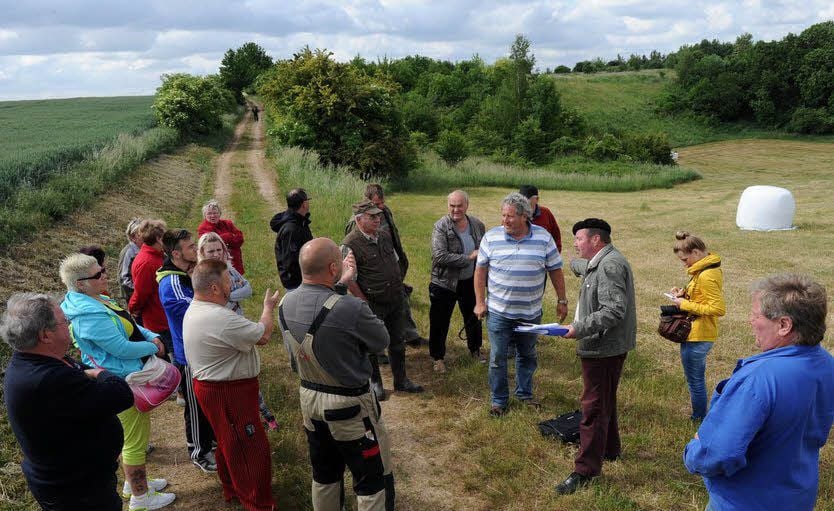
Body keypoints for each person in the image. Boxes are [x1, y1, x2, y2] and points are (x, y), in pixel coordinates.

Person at [684, 274, 834, 511]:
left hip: (744, 502)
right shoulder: (827, 364)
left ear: (784, 325)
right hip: (797, 496)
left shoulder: (758, 379)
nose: (750, 321)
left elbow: (718, 454)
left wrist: (695, 449)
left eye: (756, 315)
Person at [279, 238, 395, 510]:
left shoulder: (285, 302)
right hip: (350, 406)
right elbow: (381, 340)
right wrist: (346, 289)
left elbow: (320, 303)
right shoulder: (350, 307)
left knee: (325, 475)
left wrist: (339, 284)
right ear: (333, 267)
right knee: (371, 479)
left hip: (310, 399)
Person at [59, 253, 176, 510]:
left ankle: (131, 484)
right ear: (80, 283)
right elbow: (120, 348)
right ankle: (141, 498)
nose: (105, 276)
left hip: (128, 375)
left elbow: (129, 323)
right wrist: (152, 346)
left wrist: (152, 336)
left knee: (131, 436)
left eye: (103, 269)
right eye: (98, 274)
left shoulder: (96, 299)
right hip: (124, 379)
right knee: (135, 442)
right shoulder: (89, 316)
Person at [2, 293, 136, 511]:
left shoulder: (33, 360)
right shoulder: (50, 378)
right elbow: (121, 394)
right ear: (46, 335)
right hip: (77, 491)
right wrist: (100, 372)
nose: (70, 325)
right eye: (65, 322)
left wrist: (90, 374)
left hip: (74, 482)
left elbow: (77, 369)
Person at [183, 259, 281, 511]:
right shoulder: (220, 317)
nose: (233, 284)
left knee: (228, 440)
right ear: (215, 288)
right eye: (228, 280)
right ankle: (257, 502)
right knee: (250, 446)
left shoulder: (199, 308)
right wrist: (268, 308)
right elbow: (264, 334)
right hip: (228, 391)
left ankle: (233, 488)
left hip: (215, 388)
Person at [555, 218, 636, 495]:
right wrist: (568, 261)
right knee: (605, 399)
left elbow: (614, 311)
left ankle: (586, 469)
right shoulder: (597, 262)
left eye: (579, 239)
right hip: (607, 347)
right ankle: (610, 450)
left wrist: (577, 328)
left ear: (595, 241)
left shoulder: (610, 265)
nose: (575, 244)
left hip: (603, 348)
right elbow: (581, 266)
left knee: (593, 407)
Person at [474, 192, 567, 417]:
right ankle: (499, 401)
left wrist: (562, 300)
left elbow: (555, 270)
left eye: (510, 216)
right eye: (503, 215)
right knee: (497, 358)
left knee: (527, 355)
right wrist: (479, 302)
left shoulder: (543, 238)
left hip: (530, 312)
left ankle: (524, 394)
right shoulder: (491, 237)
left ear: (525, 216)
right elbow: (480, 271)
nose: (504, 220)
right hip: (499, 312)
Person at [342, 200, 424, 398]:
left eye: (378, 215)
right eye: (372, 216)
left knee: (398, 341)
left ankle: (401, 380)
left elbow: (395, 262)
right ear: (359, 219)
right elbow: (349, 278)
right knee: (372, 345)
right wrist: (363, 300)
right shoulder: (349, 244)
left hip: (395, 300)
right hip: (373, 302)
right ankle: (376, 383)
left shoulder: (385, 236)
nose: (378, 219)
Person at [197, 232, 278, 431]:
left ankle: (262, 415)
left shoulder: (229, 269)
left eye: (219, 250)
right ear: (202, 252)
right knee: (240, 375)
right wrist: (233, 294)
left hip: (237, 322)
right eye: (211, 251)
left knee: (247, 371)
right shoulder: (201, 275)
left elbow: (248, 288)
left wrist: (228, 294)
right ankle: (261, 417)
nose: (216, 254)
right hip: (223, 329)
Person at [157, 228, 217, 473]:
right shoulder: (172, 282)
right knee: (195, 407)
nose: (196, 249)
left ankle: (210, 442)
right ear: (176, 253)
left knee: (207, 403)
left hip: (201, 351)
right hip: (189, 355)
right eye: (191, 247)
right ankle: (198, 452)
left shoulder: (183, 274)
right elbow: (196, 308)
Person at [346, 183, 427, 347]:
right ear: (367, 201)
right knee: (377, 314)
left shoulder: (385, 211)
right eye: (377, 204)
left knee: (401, 300)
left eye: (383, 203)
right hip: (373, 278)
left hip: (392, 263)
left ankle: (410, 336)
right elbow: (353, 255)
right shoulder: (356, 223)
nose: (381, 208)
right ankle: (379, 348)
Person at [669, 231, 725, 421]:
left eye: (685, 259)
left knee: (695, 381)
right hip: (696, 334)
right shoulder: (703, 269)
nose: (684, 263)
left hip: (699, 336)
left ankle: (699, 419)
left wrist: (683, 304)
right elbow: (701, 296)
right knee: (695, 379)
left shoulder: (706, 275)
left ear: (696, 252)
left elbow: (717, 308)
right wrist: (683, 293)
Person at [429, 190, 486, 373]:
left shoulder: (477, 224)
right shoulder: (441, 226)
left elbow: (483, 251)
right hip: (444, 283)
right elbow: (439, 256)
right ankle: (438, 358)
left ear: (466, 205)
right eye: (452, 206)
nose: (455, 210)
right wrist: (468, 258)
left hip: (470, 281)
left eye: (459, 205)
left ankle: (475, 350)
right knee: (439, 321)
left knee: (474, 318)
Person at [129, 219, 172, 355]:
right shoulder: (148, 262)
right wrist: (133, 308)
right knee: (173, 354)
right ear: (159, 239)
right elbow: (141, 292)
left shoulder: (155, 256)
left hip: (162, 314)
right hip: (158, 318)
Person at [270, 188, 313, 291]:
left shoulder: (300, 221)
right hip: (298, 285)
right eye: (308, 200)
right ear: (304, 204)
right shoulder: (291, 229)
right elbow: (290, 262)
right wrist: (306, 279)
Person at [198, 199, 246, 275]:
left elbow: (240, 239)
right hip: (217, 263)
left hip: (235, 260)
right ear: (205, 215)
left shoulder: (227, 223)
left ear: (219, 214)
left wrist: (221, 238)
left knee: (238, 282)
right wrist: (229, 236)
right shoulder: (203, 228)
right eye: (209, 213)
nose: (213, 216)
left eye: (215, 213)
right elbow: (210, 244)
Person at [118, 218, 144, 304]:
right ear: (133, 237)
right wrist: (137, 294)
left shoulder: (143, 249)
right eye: (141, 234)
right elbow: (124, 278)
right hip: (133, 296)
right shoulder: (129, 252)